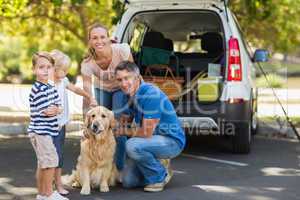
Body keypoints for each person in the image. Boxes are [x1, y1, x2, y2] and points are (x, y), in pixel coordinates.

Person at [114, 61, 186, 192]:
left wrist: (123, 131)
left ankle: (159, 176)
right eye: (119, 80)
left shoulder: (151, 94)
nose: (123, 84)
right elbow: (124, 122)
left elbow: (146, 132)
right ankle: (159, 166)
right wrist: (109, 127)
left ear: (137, 77)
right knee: (128, 181)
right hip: (150, 140)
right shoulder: (127, 95)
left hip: (170, 141)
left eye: (127, 78)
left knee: (132, 145)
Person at [81, 23, 134, 171]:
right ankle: (101, 165)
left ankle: (119, 168)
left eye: (103, 37)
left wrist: (136, 99)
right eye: (95, 38)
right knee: (99, 123)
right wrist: (87, 112)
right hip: (102, 88)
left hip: (121, 88)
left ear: (109, 38)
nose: (99, 41)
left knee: (117, 124)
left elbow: (133, 76)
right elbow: (87, 91)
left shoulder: (122, 51)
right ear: (90, 41)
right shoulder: (87, 63)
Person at [49, 49, 97, 195]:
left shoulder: (63, 81)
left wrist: (88, 96)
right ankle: (49, 186)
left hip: (61, 126)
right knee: (50, 157)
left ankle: (57, 185)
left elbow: (75, 89)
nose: (66, 72)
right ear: (55, 69)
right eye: (64, 70)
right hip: (49, 127)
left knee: (59, 156)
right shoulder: (48, 84)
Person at [27, 52, 68, 200]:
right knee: (50, 162)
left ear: (53, 69)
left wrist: (56, 109)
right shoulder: (37, 89)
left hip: (48, 132)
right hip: (40, 132)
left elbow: (58, 106)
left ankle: (43, 194)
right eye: (41, 67)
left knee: (46, 163)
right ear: (34, 70)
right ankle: (48, 194)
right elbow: (49, 111)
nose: (45, 70)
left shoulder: (50, 87)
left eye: (49, 67)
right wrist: (56, 109)